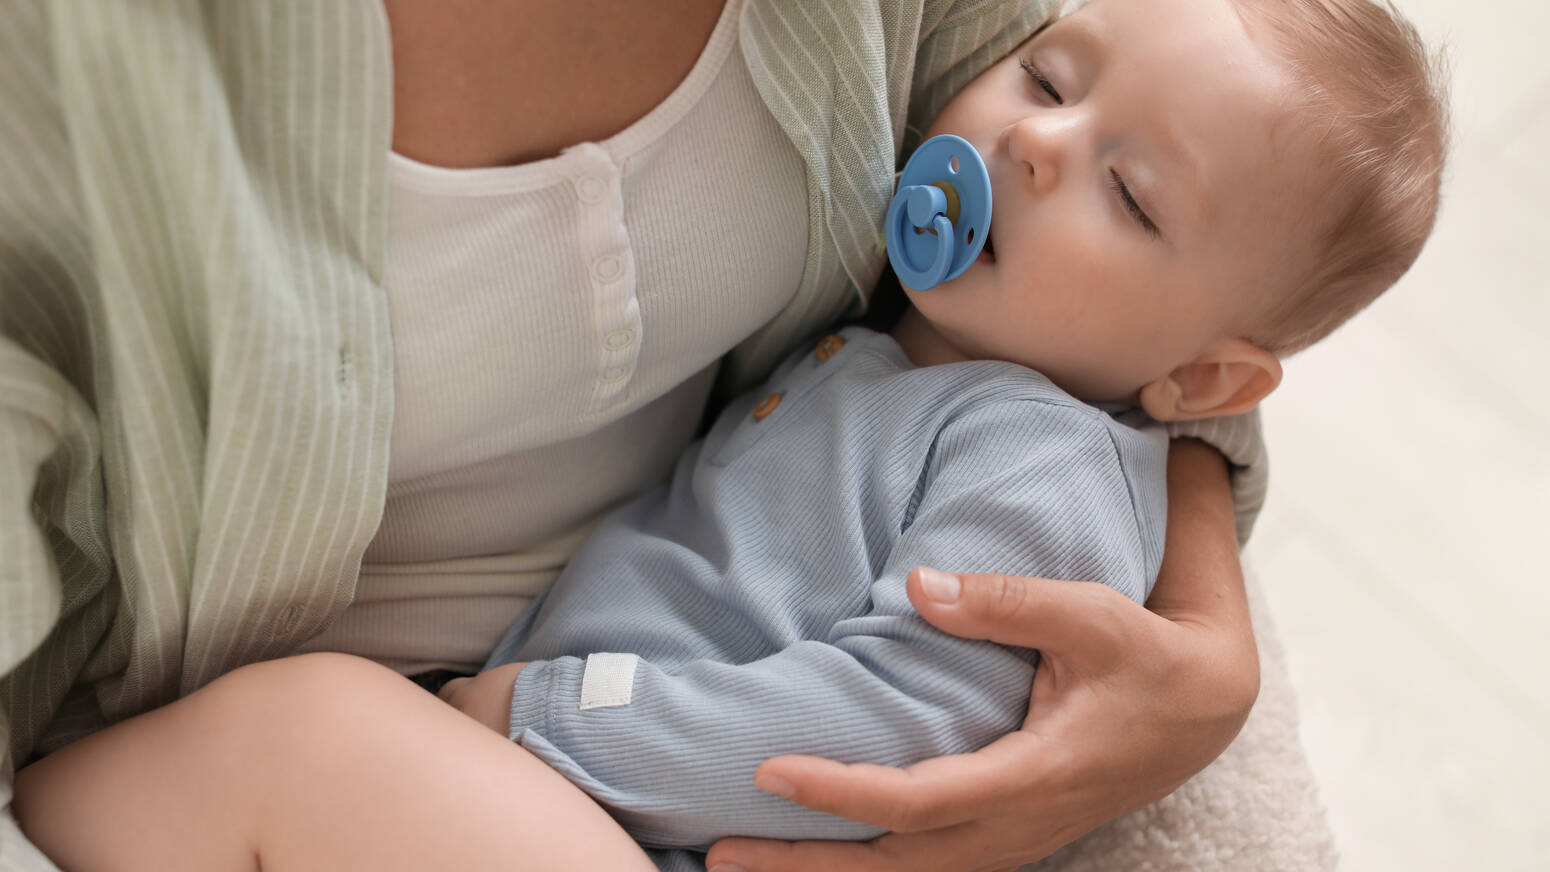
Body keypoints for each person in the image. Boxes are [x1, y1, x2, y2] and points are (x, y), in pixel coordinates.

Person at [10, 0, 1448, 869]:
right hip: (530, 763)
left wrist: (546, 721)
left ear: (1201, 378)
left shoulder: (1034, 461)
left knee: (305, 740)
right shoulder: (895, 361)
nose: (1028, 143)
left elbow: (904, 716)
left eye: (1129, 199)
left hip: (639, 827)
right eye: (1048, 82)